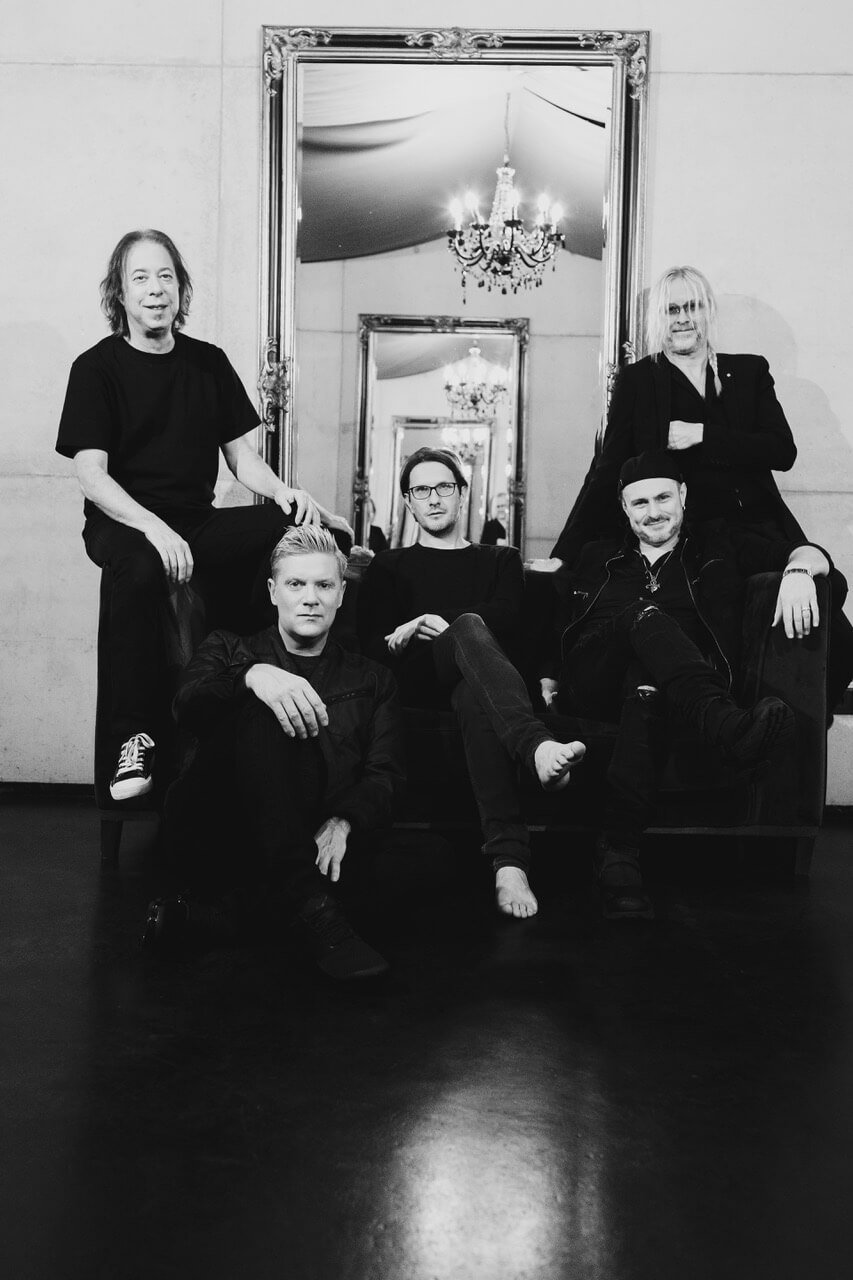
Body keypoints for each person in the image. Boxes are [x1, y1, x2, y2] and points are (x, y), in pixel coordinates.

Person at [55, 229, 351, 803]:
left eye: (165, 276)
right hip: (124, 523)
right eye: (140, 277)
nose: (155, 289)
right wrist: (153, 527)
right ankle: (134, 738)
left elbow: (242, 459)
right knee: (142, 569)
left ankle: (245, 681)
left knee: (287, 529)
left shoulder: (207, 362)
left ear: (181, 289)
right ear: (120, 292)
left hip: (194, 519)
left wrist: (285, 493)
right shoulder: (95, 368)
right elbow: (91, 475)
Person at [542, 449, 841, 919]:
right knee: (642, 614)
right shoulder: (597, 555)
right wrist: (546, 674)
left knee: (646, 688)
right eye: (640, 503)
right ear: (624, 508)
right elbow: (557, 621)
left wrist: (800, 572)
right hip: (594, 678)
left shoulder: (719, 546)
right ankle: (727, 726)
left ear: (683, 494)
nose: (653, 512)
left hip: (672, 690)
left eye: (663, 497)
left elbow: (812, 555)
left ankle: (618, 854)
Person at [542, 264, 853, 712]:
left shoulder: (748, 371)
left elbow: (781, 450)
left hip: (762, 526)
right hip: (700, 541)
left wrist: (703, 434)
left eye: (693, 307)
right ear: (659, 318)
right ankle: (746, 726)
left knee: (834, 627)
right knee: (735, 641)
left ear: (708, 311)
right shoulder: (639, 380)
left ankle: (799, 727)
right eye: (672, 310)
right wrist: (565, 553)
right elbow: (607, 470)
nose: (683, 318)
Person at [148, 525, 403, 981]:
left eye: (324, 585)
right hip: (221, 832)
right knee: (262, 711)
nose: (310, 599)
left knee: (432, 862)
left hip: (307, 836)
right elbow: (185, 705)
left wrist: (343, 821)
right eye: (296, 584)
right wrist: (250, 677)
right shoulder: (229, 647)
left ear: (341, 594)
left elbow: (384, 773)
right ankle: (316, 910)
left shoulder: (372, 678)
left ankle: (222, 919)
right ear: (273, 591)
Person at [357, 447, 585, 921]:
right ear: (407, 501)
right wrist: (415, 634)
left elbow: (510, 619)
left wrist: (435, 621)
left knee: (472, 681)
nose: (433, 497)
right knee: (467, 627)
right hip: (418, 678)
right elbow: (371, 648)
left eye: (444, 486)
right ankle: (535, 745)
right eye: (421, 489)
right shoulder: (388, 565)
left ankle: (509, 864)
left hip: (482, 684)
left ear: (463, 494)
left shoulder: (500, 559)